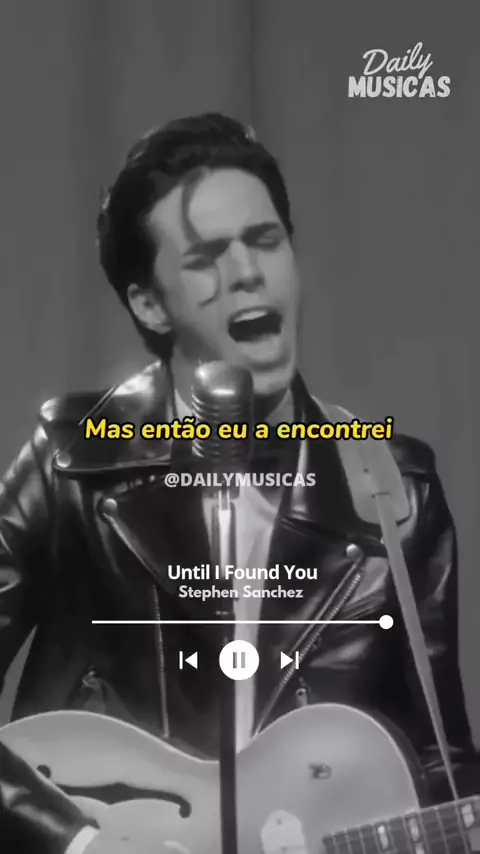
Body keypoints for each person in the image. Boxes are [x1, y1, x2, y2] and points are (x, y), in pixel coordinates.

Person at [0, 112, 479, 854]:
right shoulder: (72, 463)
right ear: (149, 302)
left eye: (265, 240)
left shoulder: (394, 490)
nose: (249, 272)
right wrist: (78, 842)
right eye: (206, 257)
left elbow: (439, 765)